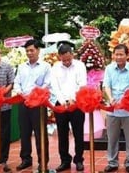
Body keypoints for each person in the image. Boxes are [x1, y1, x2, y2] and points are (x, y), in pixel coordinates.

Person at [12, 39, 51, 172]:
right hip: (23, 102)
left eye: (32, 50)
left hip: (38, 104)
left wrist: (35, 94)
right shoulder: (22, 66)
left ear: (38, 50)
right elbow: (16, 82)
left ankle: (43, 161)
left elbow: (47, 84)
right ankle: (26, 159)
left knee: (40, 133)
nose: (29, 53)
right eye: (27, 51)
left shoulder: (45, 66)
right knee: (24, 132)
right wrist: (21, 93)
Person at [102, 44, 129, 173]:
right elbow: (106, 85)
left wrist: (125, 101)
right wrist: (110, 98)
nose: (118, 57)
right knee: (112, 138)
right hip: (113, 109)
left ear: (127, 55)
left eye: (121, 54)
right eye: (116, 54)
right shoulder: (109, 68)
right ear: (113, 55)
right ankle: (112, 162)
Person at [49, 44, 87, 172]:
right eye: (63, 60)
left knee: (78, 133)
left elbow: (82, 84)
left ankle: (79, 160)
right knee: (62, 133)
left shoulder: (80, 66)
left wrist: (73, 99)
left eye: (68, 59)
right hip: (61, 104)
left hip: (77, 103)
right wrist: (63, 100)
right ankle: (65, 160)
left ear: (72, 54)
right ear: (59, 57)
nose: (66, 62)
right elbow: (54, 86)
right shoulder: (55, 67)